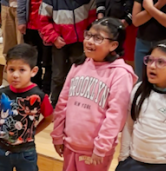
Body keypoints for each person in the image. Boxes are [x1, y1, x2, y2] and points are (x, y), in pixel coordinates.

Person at [51, 17, 137, 171]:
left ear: (113, 45)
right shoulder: (78, 65)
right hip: (70, 144)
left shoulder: (121, 74)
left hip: (95, 150)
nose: (90, 41)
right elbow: (62, 102)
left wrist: (102, 147)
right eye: (88, 35)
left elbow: (116, 115)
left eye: (97, 38)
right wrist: (57, 134)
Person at [39, 0, 97, 107]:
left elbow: (92, 14)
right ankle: (55, 106)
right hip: (60, 43)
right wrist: (54, 38)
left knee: (79, 75)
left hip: (81, 43)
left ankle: (76, 107)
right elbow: (43, 20)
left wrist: (89, 33)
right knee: (58, 76)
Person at [116, 40, 166, 171]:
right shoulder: (138, 90)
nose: (152, 66)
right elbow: (129, 125)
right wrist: (123, 157)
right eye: (150, 60)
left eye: (161, 62)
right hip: (135, 161)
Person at [0, 44, 54, 171]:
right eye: (11, 69)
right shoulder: (2, 93)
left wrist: (34, 132)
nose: (15, 75)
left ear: (34, 71)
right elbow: (2, 117)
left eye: (22, 70)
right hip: (1, 149)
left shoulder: (39, 96)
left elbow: (49, 118)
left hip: (26, 151)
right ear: (6, 69)